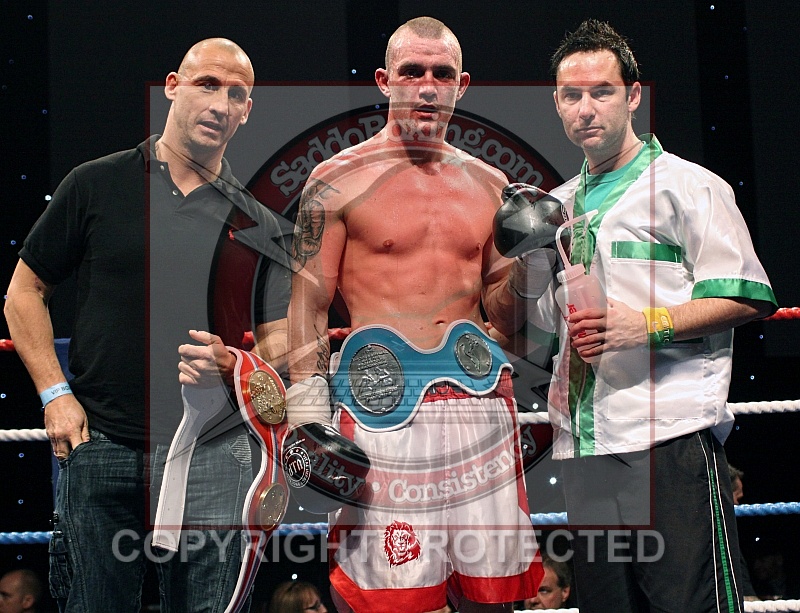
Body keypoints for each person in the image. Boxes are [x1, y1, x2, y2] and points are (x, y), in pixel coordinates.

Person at [4, 38, 291, 612]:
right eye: (208, 85)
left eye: (236, 94)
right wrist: (56, 395)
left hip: (214, 455)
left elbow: (284, 336)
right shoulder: (96, 184)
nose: (220, 104)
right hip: (102, 444)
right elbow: (23, 292)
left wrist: (239, 365)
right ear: (173, 87)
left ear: (247, 111)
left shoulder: (260, 222)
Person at [287, 16, 544, 613]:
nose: (427, 87)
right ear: (385, 81)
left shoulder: (492, 185)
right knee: (389, 593)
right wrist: (307, 408)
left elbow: (505, 317)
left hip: (478, 401)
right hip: (383, 409)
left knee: (490, 595)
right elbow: (308, 302)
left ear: (462, 86)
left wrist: (533, 265)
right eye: (412, 72)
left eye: (442, 74)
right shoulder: (335, 180)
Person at [539, 19, 778, 613]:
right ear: (557, 104)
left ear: (633, 96)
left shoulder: (691, 187)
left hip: (668, 438)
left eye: (602, 92)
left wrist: (647, 324)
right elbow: (542, 324)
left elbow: (748, 295)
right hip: (585, 449)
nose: (586, 109)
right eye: (572, 95)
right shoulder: (556, 208)